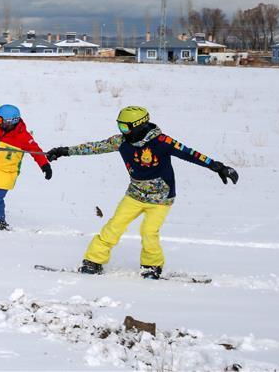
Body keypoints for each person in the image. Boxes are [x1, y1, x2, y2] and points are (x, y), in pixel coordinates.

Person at [46, 106, 239, 279]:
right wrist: (63, 151)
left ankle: (152, 266)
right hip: (135, 195)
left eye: (124, 127)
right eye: (119, 126)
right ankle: (93, 261)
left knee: (148, 231)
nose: (121, 131)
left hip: (161, 198)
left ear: (138, 126)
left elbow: (191, 154)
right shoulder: (121, 141)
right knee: (114, 226)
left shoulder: (162, 142)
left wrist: (218, 167)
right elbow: (93, 147)